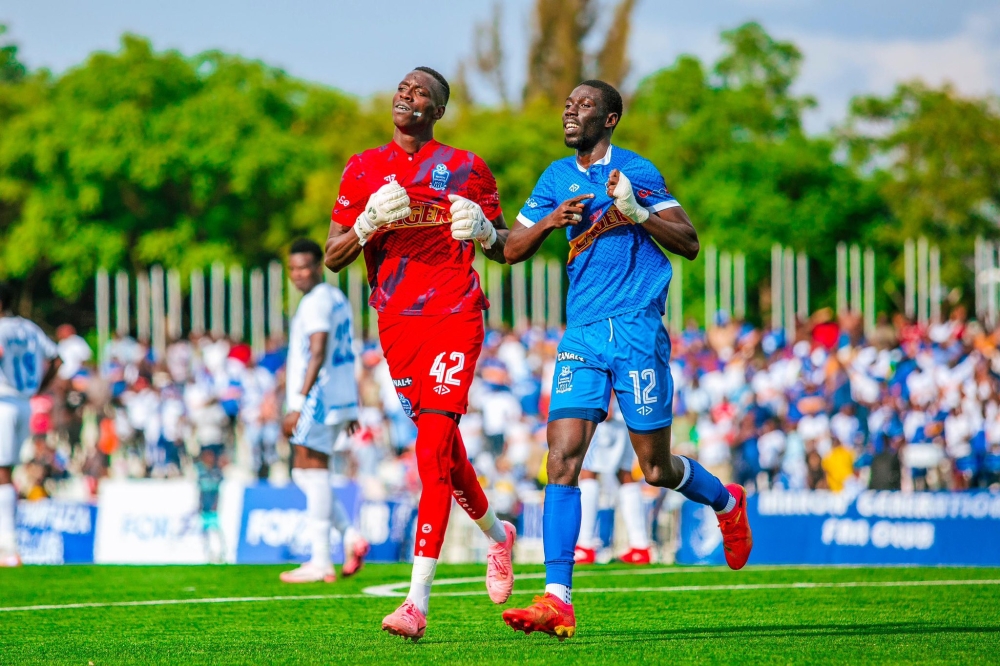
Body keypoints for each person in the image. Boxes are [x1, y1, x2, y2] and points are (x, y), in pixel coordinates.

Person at [501, 80, 753, 638]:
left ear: (610, 118)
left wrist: (636, 210)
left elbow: (688, 242)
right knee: (561, 459)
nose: (570, 110)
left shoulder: (637, 171)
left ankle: (725, 498)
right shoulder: (554, 178)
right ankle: (557, 598)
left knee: (655, 470)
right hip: (582, 334)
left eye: (584, 104)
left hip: (638, 330)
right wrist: (546, 222)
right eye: (567, 103)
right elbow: (511, 251)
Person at [325, 67, 516, 641]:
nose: (406, 96)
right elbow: (334, 257)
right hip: (395, 322)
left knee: (430, 444)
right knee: (446, 452)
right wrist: (364, 224)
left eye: (420, 94)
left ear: (436, 112)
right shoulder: (362, 167)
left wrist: (484, 231)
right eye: (402, 89)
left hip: (455, 313)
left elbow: (506, 248)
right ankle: (499, 536)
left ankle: (415, 603)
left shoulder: (466, 166)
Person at [280, 239, 370, 584]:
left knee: (312, 469)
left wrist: (298, 403)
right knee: (304, 473)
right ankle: (349, 536)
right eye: (293, 268)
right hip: (337, 393)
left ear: (319, 266)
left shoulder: (316, 302)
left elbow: (317, 351)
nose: (298, 274)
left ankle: (320, 560)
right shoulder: (337, 298)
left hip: (317, 397)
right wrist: (350, 403)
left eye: (305, 267)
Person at [0, 282, 61, 566]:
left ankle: (8, 547)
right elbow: (57, 358)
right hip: (24, 401)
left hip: (4, 401)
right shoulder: (29, 328)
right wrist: (38, 387)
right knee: (7, 474)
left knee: (2, 474)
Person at [575, 404, 652, 565]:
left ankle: (585, 545)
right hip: (626, 411)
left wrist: (606, 402)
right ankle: (640, 546)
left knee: (588, 472)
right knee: (625, 474)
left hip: (602, 411)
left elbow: (608, 377)